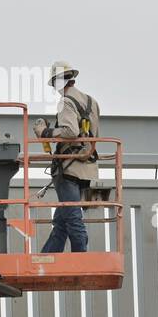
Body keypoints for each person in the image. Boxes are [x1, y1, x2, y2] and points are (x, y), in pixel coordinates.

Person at [33, 60, 100, 253]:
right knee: (61, 222)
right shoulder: (91, 101)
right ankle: (46, 259)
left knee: (72, 218)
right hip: (87, 168)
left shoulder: (66, 101)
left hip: (69, 168)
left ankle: (81, 259)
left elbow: (70, 131)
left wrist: (45, 132)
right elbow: (93, 134)